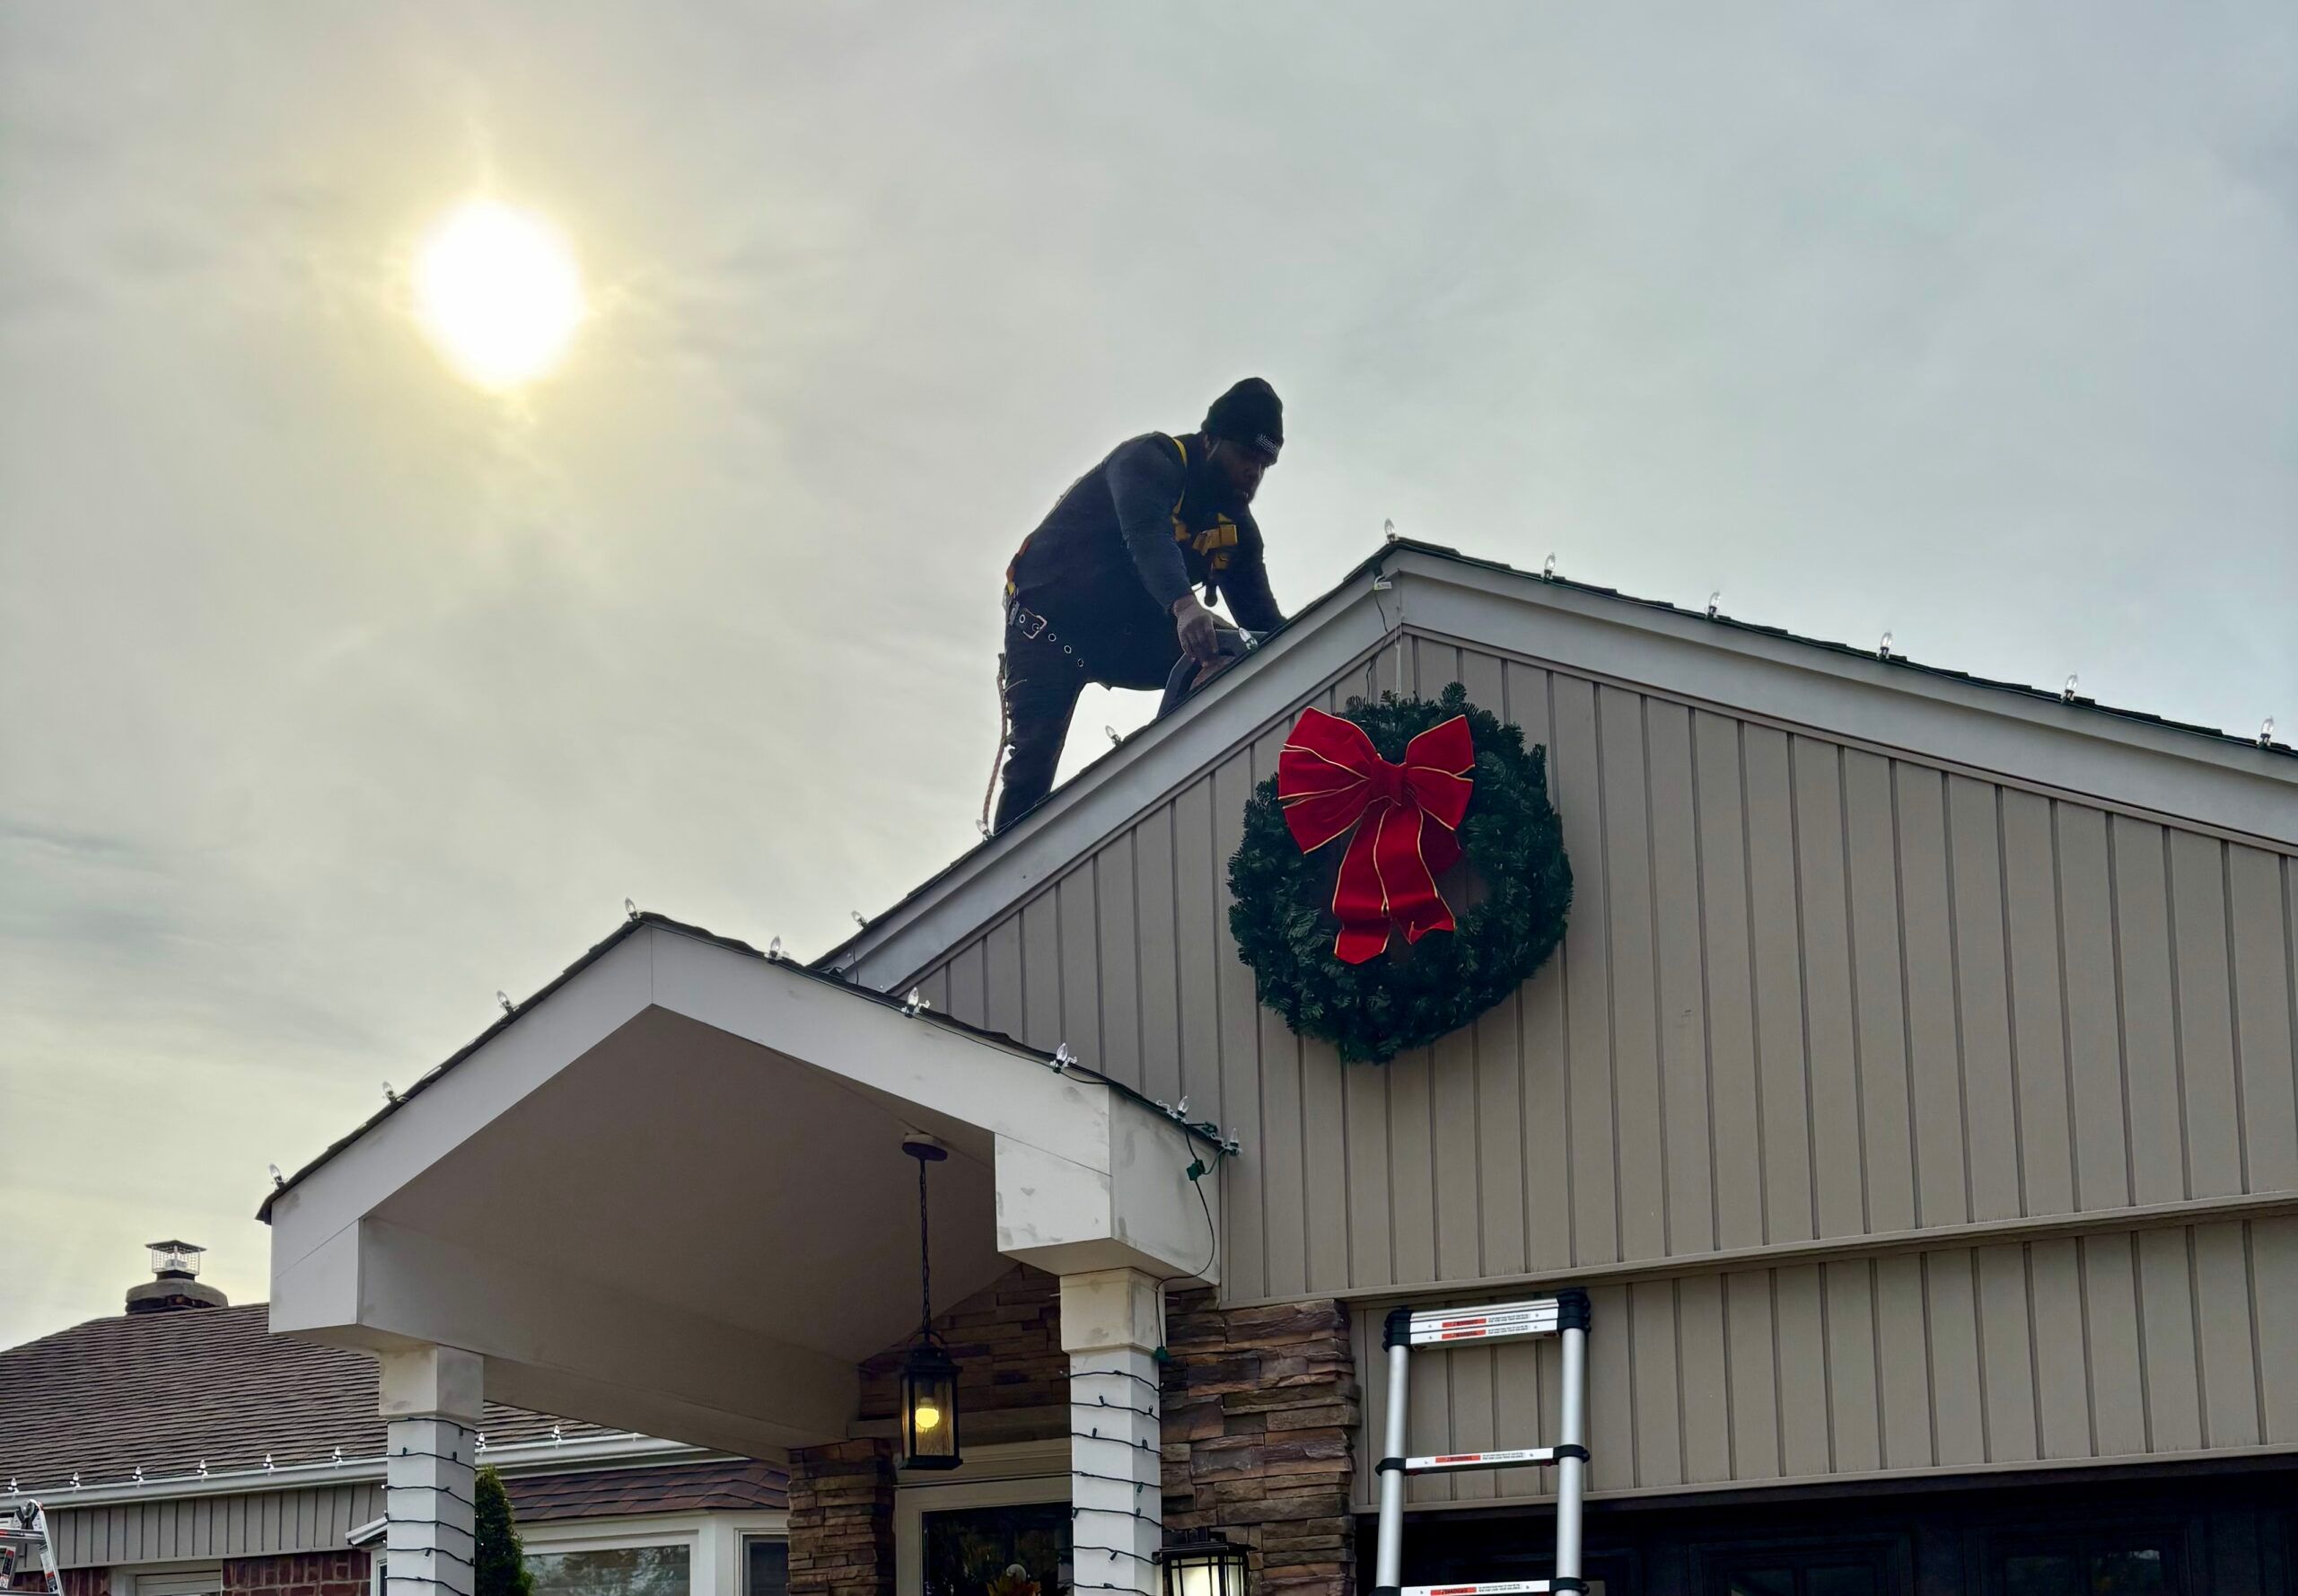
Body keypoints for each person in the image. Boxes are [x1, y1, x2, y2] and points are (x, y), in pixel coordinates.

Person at [989, 378, 1287, 834]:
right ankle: (1006, 883)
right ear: (1211, 440)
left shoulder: (1237, 531)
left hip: (1123, 635)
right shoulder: (1150, 460)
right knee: (1034, 759)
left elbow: (1265, 627)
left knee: (1231, 654)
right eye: (1246, 456)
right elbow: (1147, 535)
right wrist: (1185, 606)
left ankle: (1166, 784)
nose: (1254, 474)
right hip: (1047, 627)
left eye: (1264, 464)